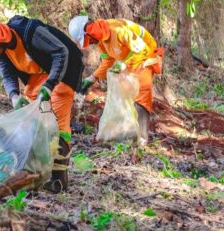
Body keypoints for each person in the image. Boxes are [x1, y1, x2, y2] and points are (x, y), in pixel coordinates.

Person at [0, 14, 84, 193]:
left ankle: (59, 179)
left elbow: (61, 53)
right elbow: (7, 73)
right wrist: (14, 95)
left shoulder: (30, 32)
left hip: (65, 72)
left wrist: (50, 85)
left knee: (57, 123)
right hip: (38, 76)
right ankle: (34, 171)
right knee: (36, 123)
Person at [68, 16, 163, 145]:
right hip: (132, 60)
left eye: (88, 40)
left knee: (141, 93)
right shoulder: (101, 41)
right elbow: (107, 61)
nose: (90, 43)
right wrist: (92, 78)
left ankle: (142, 139)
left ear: (91, 31)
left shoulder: (119, 31)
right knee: (127, 95)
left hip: (146, 56)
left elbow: (143, 50)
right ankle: (130, 133)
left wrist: (124, 65)